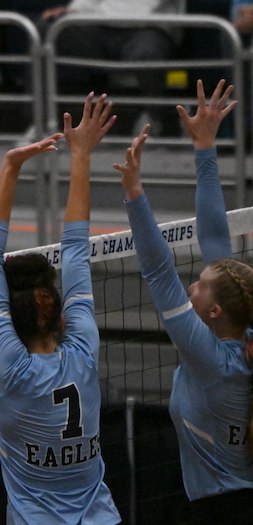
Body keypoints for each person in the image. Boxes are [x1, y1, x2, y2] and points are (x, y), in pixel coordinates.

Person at [0, 92, 121, 523]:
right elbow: (76, 251)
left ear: (12, 321)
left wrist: (10, 165)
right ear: (61, 318)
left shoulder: (8, 366)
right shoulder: (83, 350)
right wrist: (82, 155)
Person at [114, 78, 253, 524]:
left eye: (199, 285)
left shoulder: (208, 357)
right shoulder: (242, 336)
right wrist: (205, 148)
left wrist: (134, 193)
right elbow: (214, 236)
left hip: (222, 510)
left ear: (213, 311)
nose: (192, 284)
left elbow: (158, 270)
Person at [41, 0, 184, 136]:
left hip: (149, 28)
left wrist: (98, 13)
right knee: (48, 30)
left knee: (148, 53)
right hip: (98, 26)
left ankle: (156, 122)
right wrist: (74, 11)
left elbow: (142, 8)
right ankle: (40, 123)